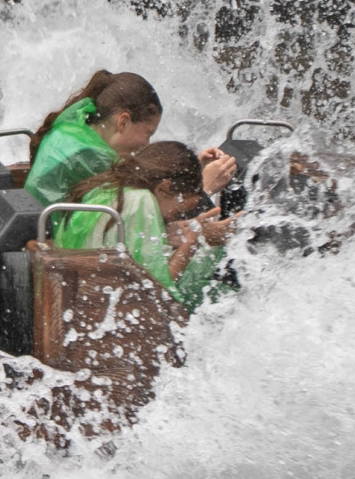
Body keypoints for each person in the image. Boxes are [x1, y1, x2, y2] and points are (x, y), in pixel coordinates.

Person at [58, 142, 241, 311]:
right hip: (106, 310)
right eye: (178, 211)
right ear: (164, 186)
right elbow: (157, 293)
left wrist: (165, 233)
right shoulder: (141, 201)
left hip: (77, 297)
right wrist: (192, 241)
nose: (172, 217)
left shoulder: (108, 187)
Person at [22, 70, 164, 207]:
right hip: (48, 229)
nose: (147, 144)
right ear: (123, 122)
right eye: (148, 134)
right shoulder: (92, 158)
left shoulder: (73, 126)